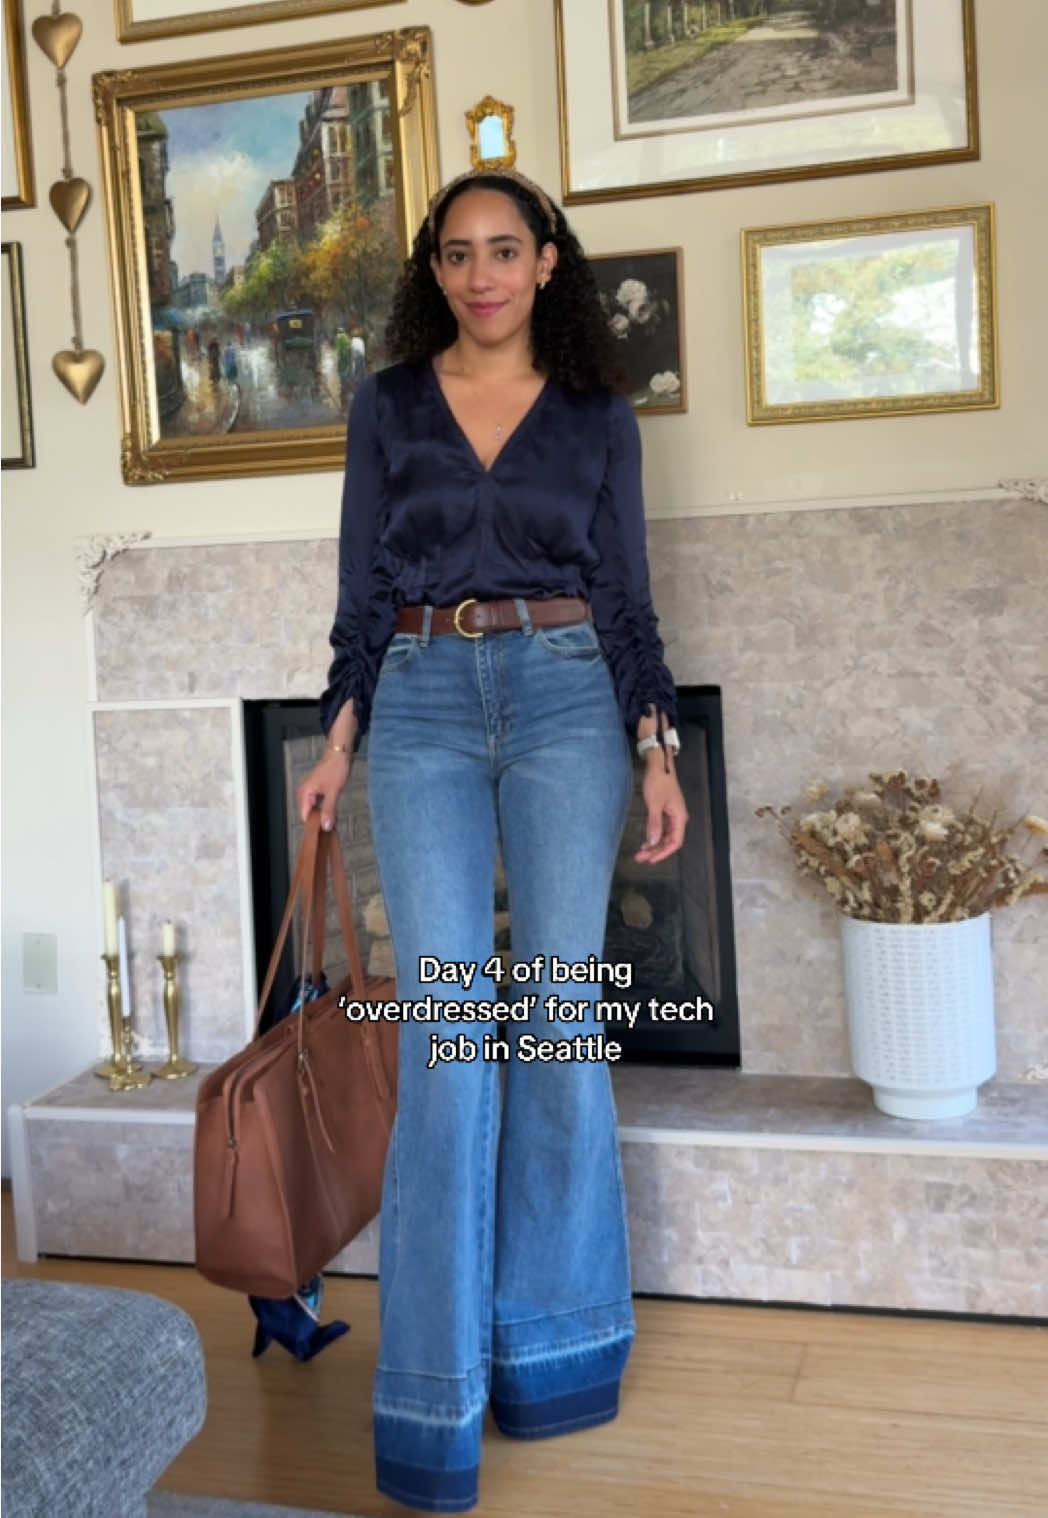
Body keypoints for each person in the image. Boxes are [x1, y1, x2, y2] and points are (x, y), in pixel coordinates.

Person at [297, 166, 688, 1515]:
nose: (481, 275)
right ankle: (432, 1398)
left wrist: (656, 743)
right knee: (451, 1045)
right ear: (436, 271)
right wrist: (338, 742)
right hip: (415, 712)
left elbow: (629, 597)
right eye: (458, 253)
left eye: (503, 250)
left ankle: (559, 1344)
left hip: (571, 697)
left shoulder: (595, 417)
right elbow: (360, 595)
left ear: (546, 263)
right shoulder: (388, 406)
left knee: (556, 1024)